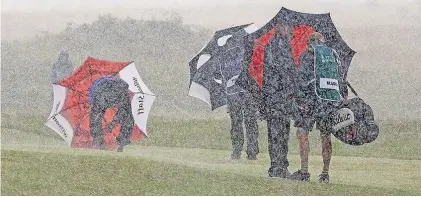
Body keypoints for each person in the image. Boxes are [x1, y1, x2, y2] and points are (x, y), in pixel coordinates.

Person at [290, 32, 348, 183]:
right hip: (330, 100)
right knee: (325, 135)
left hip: (311, 99)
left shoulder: (308, 53)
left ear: (310, 42)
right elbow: (341, 78)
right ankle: (325, 173)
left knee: (302, 132)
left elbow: (301, 78)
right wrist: (342, 95)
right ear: (322, 41)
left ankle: (304, 171)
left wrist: (299, 98)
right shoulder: (333, 54)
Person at [261, 24, 298, 178]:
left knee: (282, 134)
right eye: (288, 28)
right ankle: (277, 167)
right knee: (277, 134)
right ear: (280, 28)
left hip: (282, 99)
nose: (291, 31)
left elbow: (287, 73)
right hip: (276, 99)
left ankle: (280, 165)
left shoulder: (285, 45)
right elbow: (278, 72)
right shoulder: (274, 46)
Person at [218, 38, 260, 160]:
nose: (231, 46)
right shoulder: (224, 58)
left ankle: (250, 152)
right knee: (238, 124)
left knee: (249, 122)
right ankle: (238, 151)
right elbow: (224, 77)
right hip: (234, 95)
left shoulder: (245, 54)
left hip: (246, 93)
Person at [88, 75, 134, 152]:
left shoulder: (97, 89)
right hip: (119, 90)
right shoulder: (121, 88)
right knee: (127, 115)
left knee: (95, 117)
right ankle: (121, 143)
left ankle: (100, 142)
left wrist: (111, 124)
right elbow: (122, 112)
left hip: (102, 93)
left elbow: (96, 115)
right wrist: (113, 123)